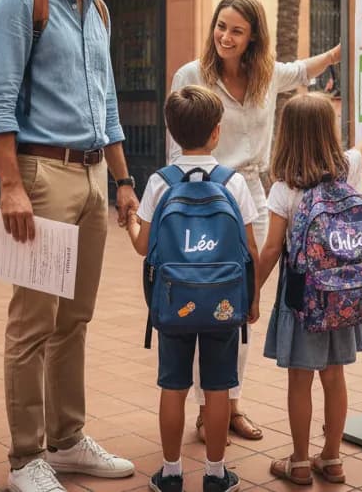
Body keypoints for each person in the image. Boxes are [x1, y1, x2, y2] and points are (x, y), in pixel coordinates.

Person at [0, 0, 146, 492]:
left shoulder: (97, 8)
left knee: (75, 318)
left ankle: (67, 441)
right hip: (42, 177)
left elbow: (109, 104)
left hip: (96, 177)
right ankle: (26, 459)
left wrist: (124, 182)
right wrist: (12, 185)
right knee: (33, 323)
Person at [168, 0, 340, 443]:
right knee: (205, 300)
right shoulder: (191, 75)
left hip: (255, 196)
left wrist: (351, 48)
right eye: (220, 26)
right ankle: (209, 409)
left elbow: (307, 69)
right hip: (205, 198)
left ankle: (229, 405)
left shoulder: (266, 76)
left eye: (236, 31)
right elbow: (176, 149)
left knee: (241, 305)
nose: (225, 37)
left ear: (253, 38)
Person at [257, 84, 362, 485]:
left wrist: (252, 291)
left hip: (300, 301)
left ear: (286, 133)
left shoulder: (284, 188)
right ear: (329, 130)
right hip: (342, 298)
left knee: (299, 379)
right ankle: (332, 457)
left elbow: (273, 249)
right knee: (334, 376)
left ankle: (299, 461)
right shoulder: (346, 167)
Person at [125, 85, 259, 492]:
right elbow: (249, 250)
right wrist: (250, 300)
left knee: (173, 385)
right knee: (218, 386)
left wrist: (132, 219)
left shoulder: (159, 183)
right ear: (216, 132)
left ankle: (170, 472)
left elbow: (143, 245)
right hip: (222, 303)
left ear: (171, 132)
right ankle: (217, 474)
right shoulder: (233, 183)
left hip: (172, 302)